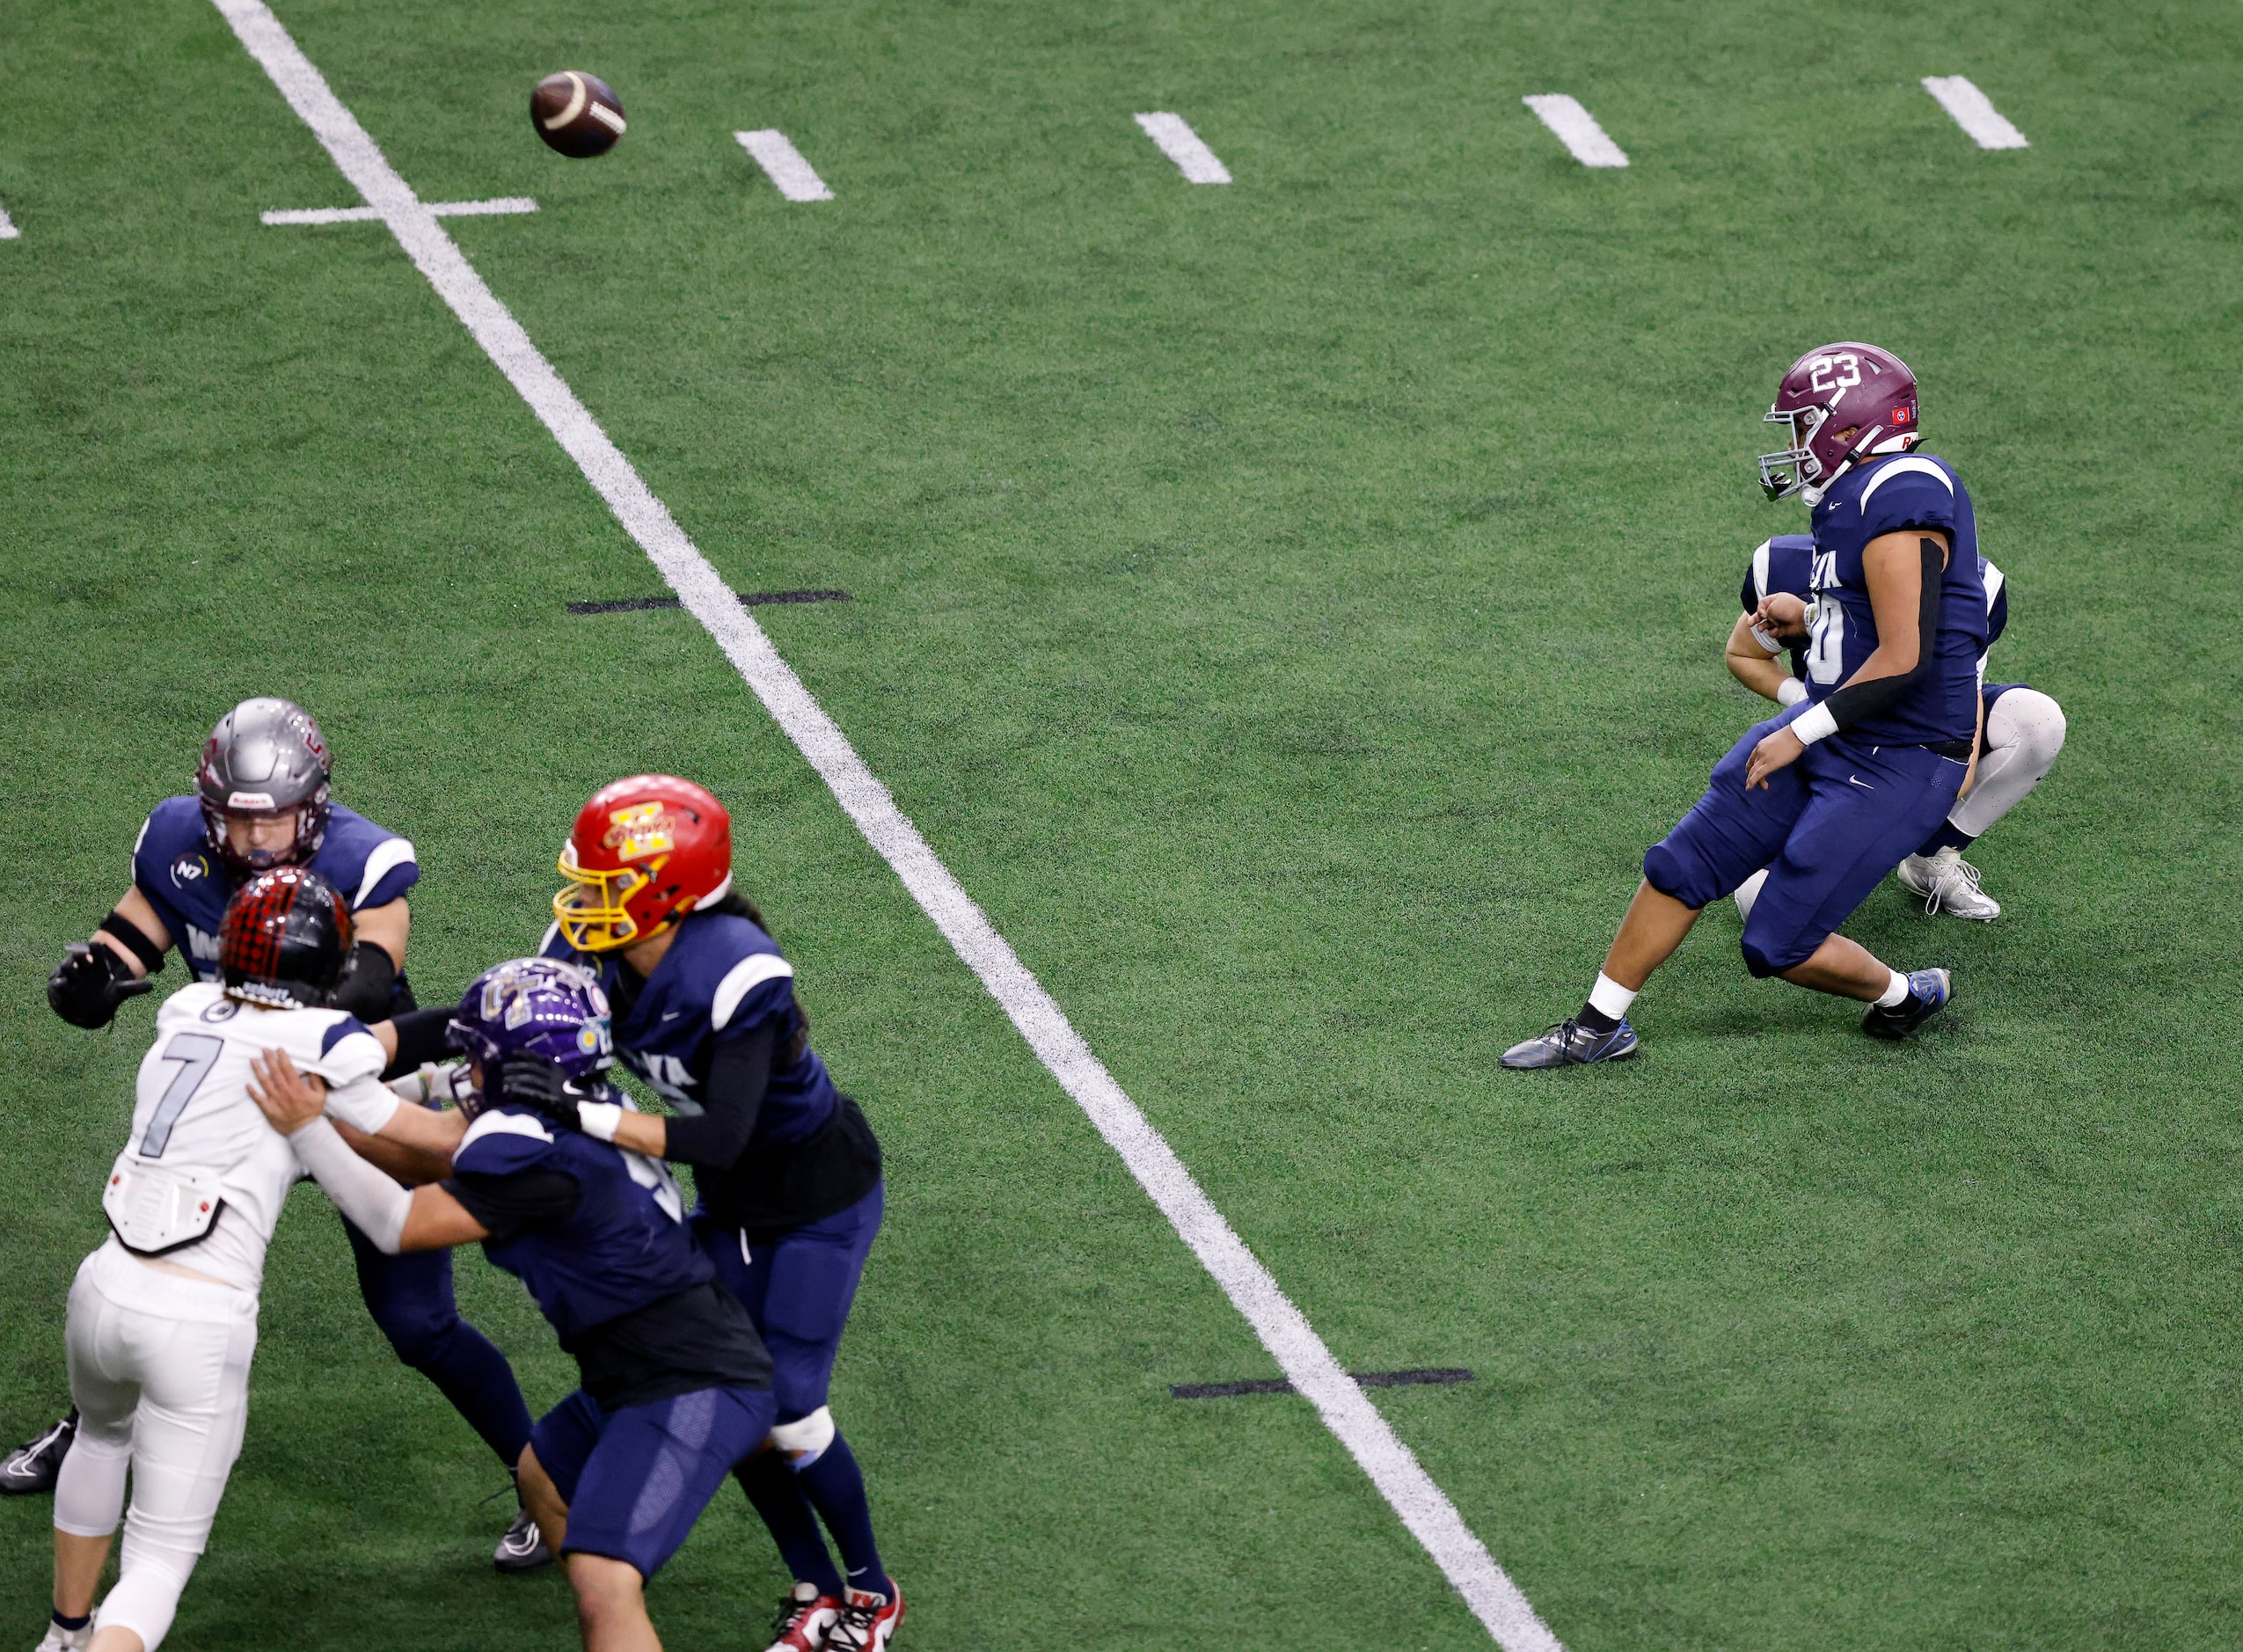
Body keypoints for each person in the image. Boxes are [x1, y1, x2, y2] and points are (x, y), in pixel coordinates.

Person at [12, 698, 547, 1572]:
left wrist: (271, 1029)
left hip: (348, 1089)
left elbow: (370, 987)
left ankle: (543, 1479)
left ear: (316, 806)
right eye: (237, 819)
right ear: (210, 807)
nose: (256, 840)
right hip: (243, 1093)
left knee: (417, 1321)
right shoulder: (178, 845)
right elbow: (124, 945)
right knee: (151, 1262)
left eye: (275, 819)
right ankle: (96, 1427)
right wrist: (87, 983)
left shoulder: (365, 859)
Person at [245, 957, 778, 1652]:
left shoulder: (537, 1159)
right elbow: (437, 1137)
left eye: (480, 1051)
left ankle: (614, 1607)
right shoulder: (586, 1114)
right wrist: (331, 1105)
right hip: (646, 1367)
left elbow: (398, 1224)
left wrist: (308, 1128)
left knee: (603, 1580)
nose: (467, 1063)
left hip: (685, 1380)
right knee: (544, 1478)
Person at [1503, 343, 1980, 1067]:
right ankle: (1597, 1028)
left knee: (1777, 944)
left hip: (1901, 756)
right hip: (1843, 726)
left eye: (1804, 426)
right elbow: (1871, 623)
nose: (1793, 445)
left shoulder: (1902, 490)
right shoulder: (1854, 499)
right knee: (1685, 860)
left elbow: (1905, 657)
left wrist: (1801, 730)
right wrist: (1814, 622)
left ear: (1848, 425)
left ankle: (1905, 995)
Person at [34, 866, 472, 1652]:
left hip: (102, 1289)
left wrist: (437, 1062)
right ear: (330, 967)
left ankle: (63, 1633)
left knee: (102, 1440)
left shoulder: (185, 1006)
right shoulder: (323, 1040)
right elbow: (429, 1141)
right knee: (160, 1562)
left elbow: (302, 1069)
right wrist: (491, 1093)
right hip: (197, 1316)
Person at [535, 775, 902, 1652]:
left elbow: (724, 1135)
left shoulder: (736, 968)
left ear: (665, 892)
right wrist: (386, 1046)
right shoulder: (590, 952)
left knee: (791, 1406)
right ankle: (813, 1586)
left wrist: (578, 1112)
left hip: (819, 1198)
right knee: (727, 1391)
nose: (585, 901)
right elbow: (507, 1018)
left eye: (606, 886)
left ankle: (870, 1594)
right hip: (735, 1208)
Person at [1727, 534, 2066, 920]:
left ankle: (1931, 859)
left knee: (2038, 722)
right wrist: (1810, 708)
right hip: (1832, 739)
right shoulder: (1788, 566)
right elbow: (1743, 653)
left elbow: (1963, 730)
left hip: (1926, 728)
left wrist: (1920, 795)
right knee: (1761, 902)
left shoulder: (1971, 586)